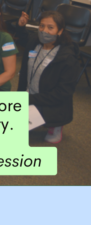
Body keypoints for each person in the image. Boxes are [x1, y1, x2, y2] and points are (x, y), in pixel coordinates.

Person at [17, 11, 81, 143]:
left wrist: (29, 99)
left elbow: (62, 94)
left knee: (11, 129)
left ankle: (56, 124)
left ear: (60, 31)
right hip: (29, 97)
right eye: (41, 26)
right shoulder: (35, 42)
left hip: (51, 104)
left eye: (50, 27)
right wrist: (21, 27)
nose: (44, 31)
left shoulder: (67, 58)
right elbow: (23, 40)